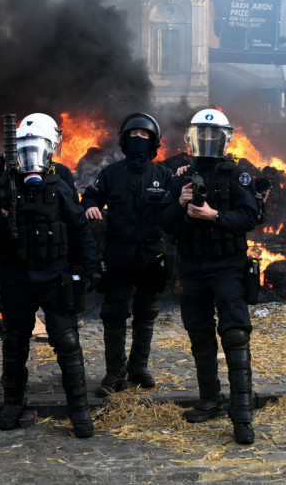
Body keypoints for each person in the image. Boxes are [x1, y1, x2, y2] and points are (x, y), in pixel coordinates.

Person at [0, 111, 101, 438]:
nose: (30, 156)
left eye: (37, 148)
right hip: (16, 277)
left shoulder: (60, 186)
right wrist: (4, 209)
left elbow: (79, 229)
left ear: (49, 151)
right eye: (24, 149)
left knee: (67, 341)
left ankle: (79, 409)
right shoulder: (2, 186)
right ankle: (12, 405)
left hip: (54, 275)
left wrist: (89, 268)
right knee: (14, 342)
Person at [160, 109, 260, 445]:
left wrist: (214, 215)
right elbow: (165, 223)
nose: (207, 142)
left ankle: (242, 413)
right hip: (193, 267)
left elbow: (249, 217)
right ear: (191, 140)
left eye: (213, 136)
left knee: (235, 335)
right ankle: (210, 400)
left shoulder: (237, 175)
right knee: (200, 335)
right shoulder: (181, 178)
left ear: (225, 140)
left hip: (228, 266)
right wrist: (179, 201)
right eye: (201, 136)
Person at [82, 113, 174, 395]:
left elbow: (178, 205)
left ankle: (139, 368)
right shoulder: (111, 174)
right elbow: (91, 196)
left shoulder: (164, 175)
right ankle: (114, 373)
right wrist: (90, 206)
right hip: (119, 255)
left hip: (151, 256)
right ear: (124, 140)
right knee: (114, 315)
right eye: (133, 134)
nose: (138, 139)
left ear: (153, 142)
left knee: (146, 314)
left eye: (144, 135)